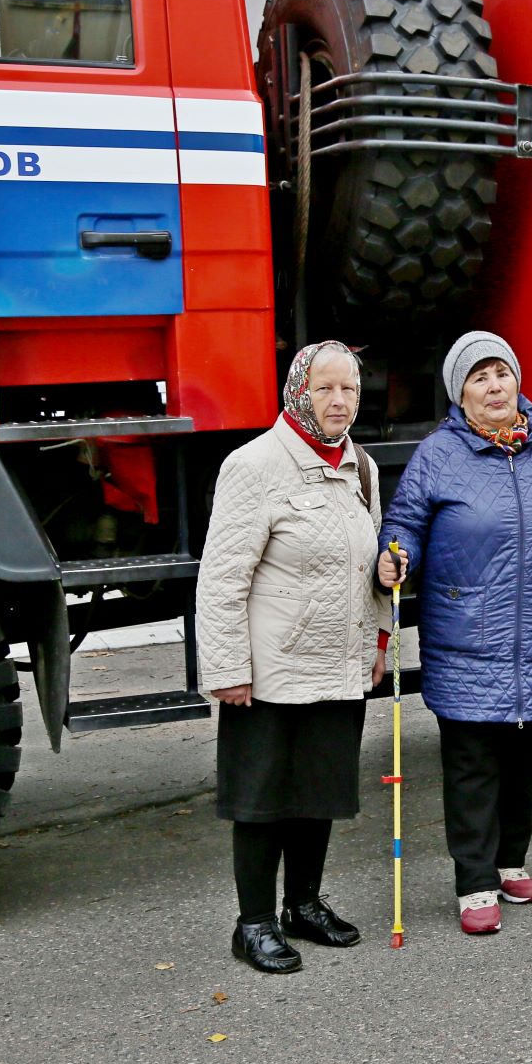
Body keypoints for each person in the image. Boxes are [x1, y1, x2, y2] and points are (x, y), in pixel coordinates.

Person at [378, 332, 532, 936]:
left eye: (502, 373)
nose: (495, 385)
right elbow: (404, 523)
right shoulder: (438, 454)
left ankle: (509, 861)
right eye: (479, 377)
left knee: (527, 757)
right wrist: (396, 554)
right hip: (468, 631)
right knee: (474, 762)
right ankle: (473, 880)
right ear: (460, 394)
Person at [196, 340, 391, 974]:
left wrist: (378, 643)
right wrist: (226, 671)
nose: (339, 402)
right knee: (261, 800)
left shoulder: (360, 469)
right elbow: (223, 577)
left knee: (319, 791)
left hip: (338, 664)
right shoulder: (254, 465)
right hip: (270, 670)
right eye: (326, 388)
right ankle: (251, 923)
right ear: (298, 391)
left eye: (351, 390)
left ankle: (302, 906)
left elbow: (370, 569)